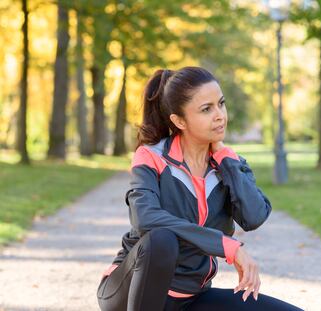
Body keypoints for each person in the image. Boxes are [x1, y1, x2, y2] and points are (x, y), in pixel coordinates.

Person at [96, 66, 304, 311]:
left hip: (192, 297)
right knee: (162, 239)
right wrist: (228, 246)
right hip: (130, 294)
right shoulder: (151, 157)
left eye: (221, 104)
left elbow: (254, 216)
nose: (219, 115)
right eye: (206, 109)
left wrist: (227, 161)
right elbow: (146, 218)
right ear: (179, 120)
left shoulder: (228, 163)